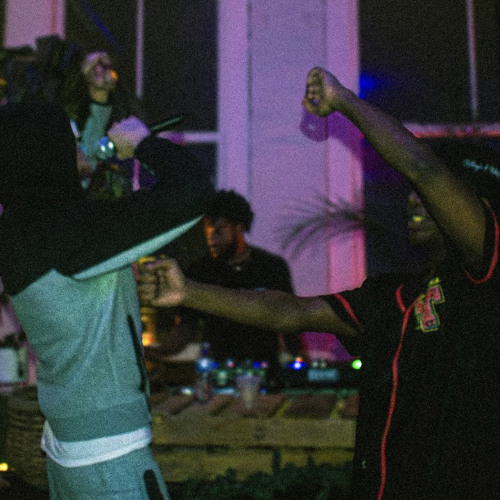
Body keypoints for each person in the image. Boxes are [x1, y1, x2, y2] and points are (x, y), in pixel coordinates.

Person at [139, 67, 500, 499]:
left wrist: (344, 100)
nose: (412, 198)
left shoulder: (485, 280)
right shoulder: (393, 296)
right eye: (412, 191)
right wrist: (188, 291)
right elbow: (289, 311)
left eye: (434, 193)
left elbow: (424, 169)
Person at [0, 102, 214, 499]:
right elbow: (193, 192)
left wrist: (99, 114)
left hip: (70, 445)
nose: (80, 143)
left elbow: (76, 189)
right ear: (47, 154)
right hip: (110, 460)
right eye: (70, 138)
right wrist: (144, 144)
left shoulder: (22, 230)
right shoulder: (70, 234)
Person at [149, 190, 298, 389]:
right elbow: (185, 328)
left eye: (219, 231)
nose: (212, 239)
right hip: (219, 379)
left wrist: (302, 366)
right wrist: (154, 353)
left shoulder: (271, 267)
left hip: (267, 377)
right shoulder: (199, 272)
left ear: (239, 227)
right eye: (208, 232)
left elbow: (290, 321)